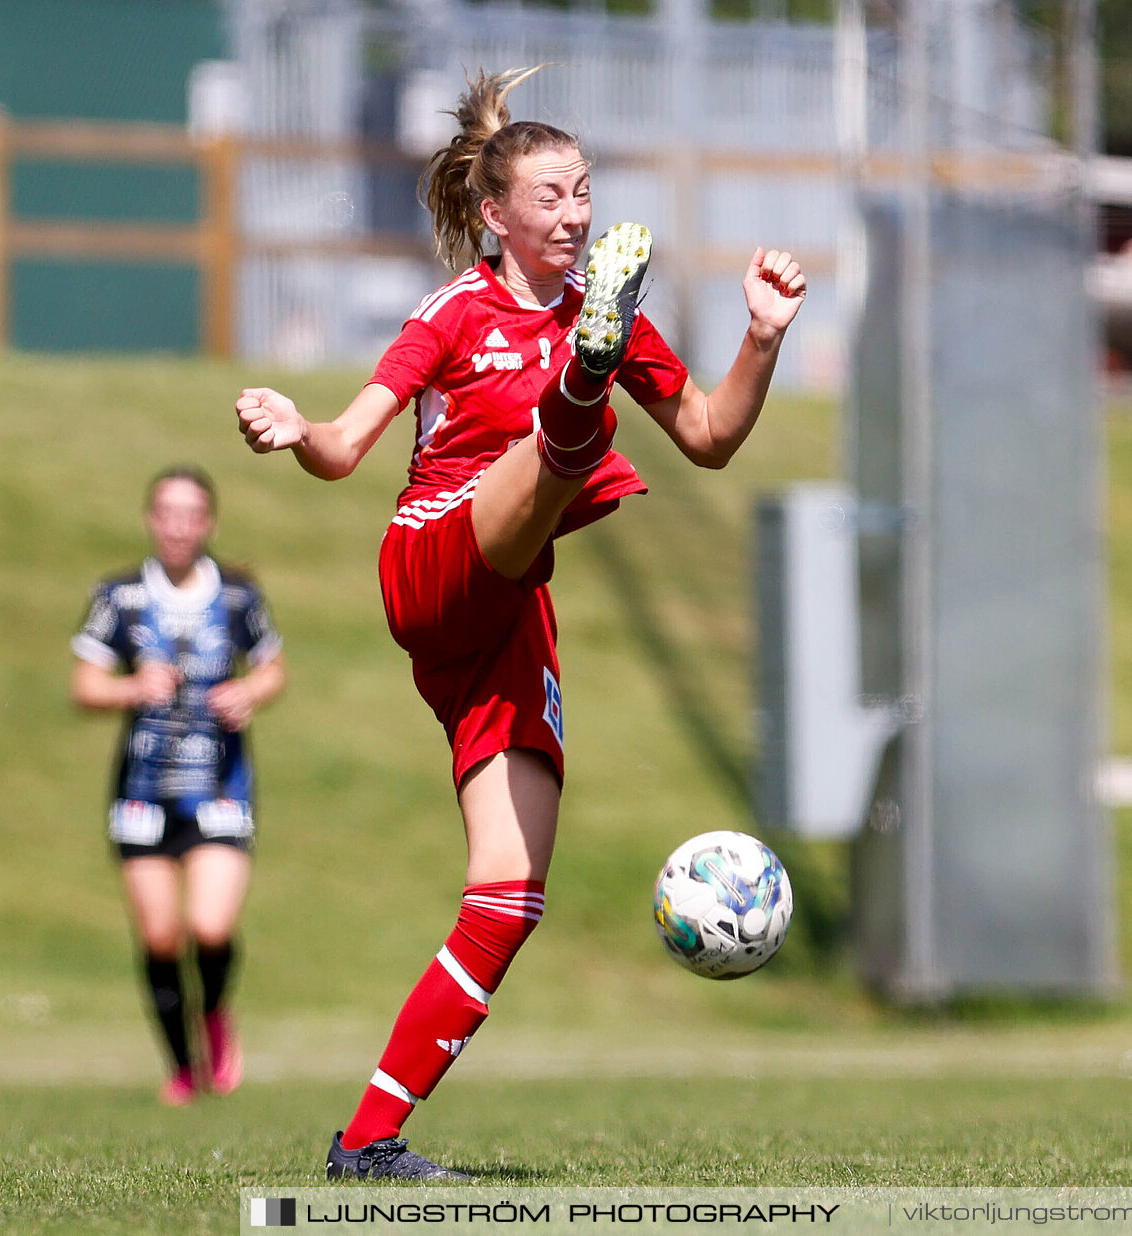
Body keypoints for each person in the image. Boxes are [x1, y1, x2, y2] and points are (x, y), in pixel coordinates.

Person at [233, 67, 806, 1180]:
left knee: (509, 895)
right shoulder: (455, 312)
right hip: (436, 556)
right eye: (551, 196)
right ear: (494, 214)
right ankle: (576, 399)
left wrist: (765, 337)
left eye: (584, 191)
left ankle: (367, 1142)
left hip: (508, 613)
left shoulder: (608, 298)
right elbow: (347, 448)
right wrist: (296, 424)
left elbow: (709, 435)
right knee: (547, 452)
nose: (576, 213)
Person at [70, 466, 286, 1106]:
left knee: (211, 926)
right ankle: (182, 1067)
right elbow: (84, 686)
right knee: (161, 935)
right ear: (150, 519)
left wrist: (249, 691)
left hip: (220, 784)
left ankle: (216, 1019)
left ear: (209, 523)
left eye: (192, 514)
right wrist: (133, 688)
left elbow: (273, 671)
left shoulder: (239, 596)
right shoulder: (120, 597)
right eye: (167, 512)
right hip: (142, 790)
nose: (178, 526)